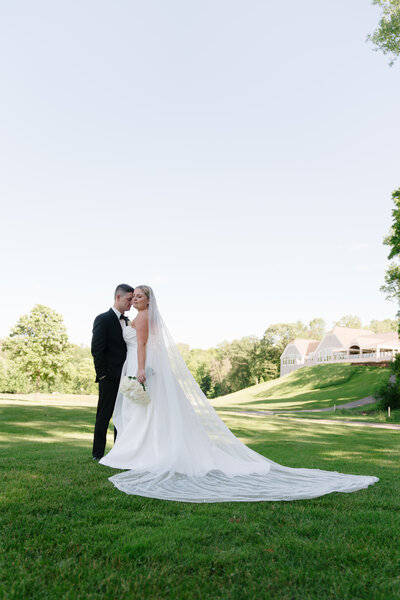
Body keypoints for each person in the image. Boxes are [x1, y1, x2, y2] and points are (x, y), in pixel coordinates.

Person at [100, 286, 379, 502]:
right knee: (150, 413)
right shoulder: (143, 317)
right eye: (133, 296)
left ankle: (141, 453)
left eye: (139, 296)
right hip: (146, 365)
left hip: (141, 366)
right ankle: (147, 449)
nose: (135, 299)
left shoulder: (143, 318)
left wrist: (139, 370)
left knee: (143, 412)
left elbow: (144, 345)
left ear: (148, 300)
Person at [91, 283, 134, 460]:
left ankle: (118, 452)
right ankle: (97, 454)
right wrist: (102, 375)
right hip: (109, 377)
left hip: (127, 377)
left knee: (122, 416)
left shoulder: (129, 322)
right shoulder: (103, 319)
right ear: (118, 297)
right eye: (129, 299)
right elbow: (97, 350)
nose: (131, 302)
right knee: (104, 415)